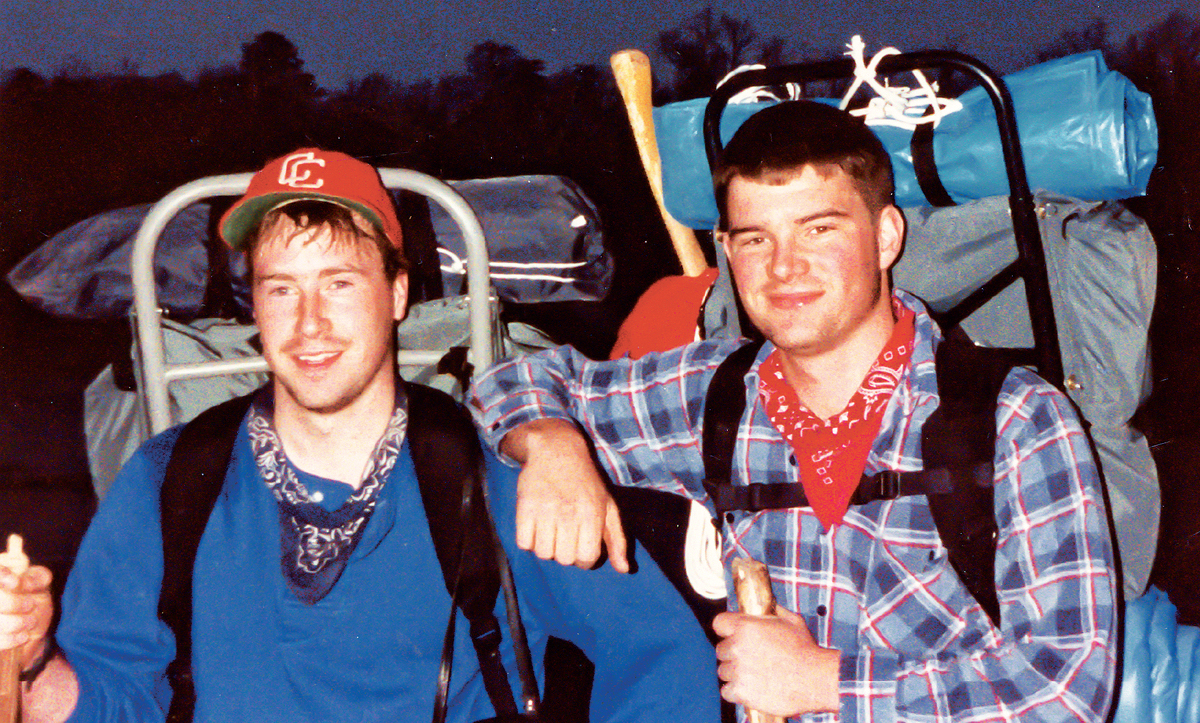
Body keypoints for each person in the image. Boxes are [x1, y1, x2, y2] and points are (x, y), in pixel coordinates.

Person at [0, 148, 718, 722]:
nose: (309, 322)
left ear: (398, 293)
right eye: (281, 288)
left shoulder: (488, 478)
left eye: (340, 283)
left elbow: (658, 654)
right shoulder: (169, 481)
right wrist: (29, 662)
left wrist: (555, 443)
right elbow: (106, 701)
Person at [470, 101, 1119, 721]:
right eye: (755, 238)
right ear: (728, 250)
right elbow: (514, 381)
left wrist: (821, 679)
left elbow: (1068, 692)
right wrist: (551, 440)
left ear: (886, 234)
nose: (784, 267)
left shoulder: (1016, 420)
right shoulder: (712, 395)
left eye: (820, 228)